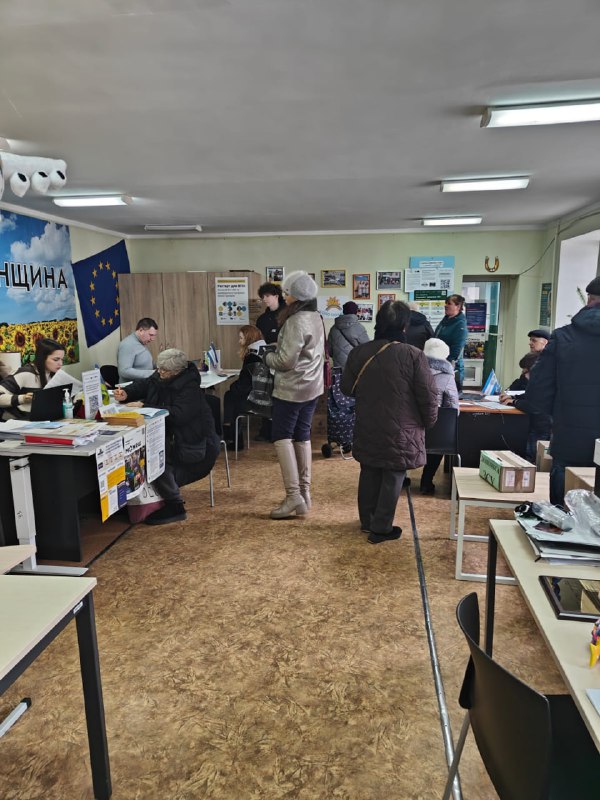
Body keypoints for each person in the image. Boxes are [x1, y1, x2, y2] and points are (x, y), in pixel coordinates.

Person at [341, 301, 438, 543]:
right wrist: (429, 421)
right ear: (405, 326)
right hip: (402, 427)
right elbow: (428, 395)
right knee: (394, 473)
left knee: (369, 469)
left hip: (368, 422)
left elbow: (346, 388)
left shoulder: (359, 352)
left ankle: (367, 521)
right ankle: (381, 528)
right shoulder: (413, 355)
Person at [515, 276, 600, 505]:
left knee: (565, 508)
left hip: (571, 437)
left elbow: (538, 392)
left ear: (589, 299)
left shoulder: (563, 337)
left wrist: (557, 415)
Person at [114, 349, 220, 525]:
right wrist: (126, 393)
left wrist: (144, 406)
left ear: (177, 371)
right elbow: (146, 384)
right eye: (159, 368)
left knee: (156, 455)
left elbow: (178, 415)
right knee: (149, 451)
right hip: (174, 437)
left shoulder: (190, 388)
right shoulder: (162, 374)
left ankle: (175, 505)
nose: (160, 372)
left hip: (195, 446)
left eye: (164, 370)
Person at [264, 271, 324, 519]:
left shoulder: (295, 321)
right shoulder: (316, 316)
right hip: (312, 387)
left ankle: (292, 496)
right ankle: (304, 494)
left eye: (287, 293)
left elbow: (285, 362)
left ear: (296, 297)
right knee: (302, 435)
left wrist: (266, 356)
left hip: (291, 388)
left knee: (282, 437)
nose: (284, 297)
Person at [418, 338, 460, 495]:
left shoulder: (412, 371)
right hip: (435, 428)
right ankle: (426, 481)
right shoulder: (447, 377)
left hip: (411, 426)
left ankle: (401, 479)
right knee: (438, 445)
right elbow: (453, 407)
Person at [499, 352, 552, 463]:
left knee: (533, 457)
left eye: (525, 371)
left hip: (541, 427)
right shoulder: (543, 381)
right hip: (541, 424)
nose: (524, 375)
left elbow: (533, 405)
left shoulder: (541, 384)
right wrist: (513, 396)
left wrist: (515, 401)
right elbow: (530, 395)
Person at [222, 325, 266, 448]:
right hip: (264, 397)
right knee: (231, 397)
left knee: (231, 397)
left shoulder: (252, 356)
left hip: (255, 400)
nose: (239, 341)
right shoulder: (264, 351)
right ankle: (231, 435)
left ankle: (231, 435)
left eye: (241, 338)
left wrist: (232, 386)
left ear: (249, 339)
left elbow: (244, 384)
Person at [0, 338, 65, 420]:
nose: (60, 364)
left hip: (42, 420)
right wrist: (23, 398)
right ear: (42, 358)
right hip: (18, 421)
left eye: (62, 359)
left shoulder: (55, 374)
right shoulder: (25, 373)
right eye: (56, 359)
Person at [434, 294, 468, 391]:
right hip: (440, 363)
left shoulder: (460, 324)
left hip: (451, 366)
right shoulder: (445, 321)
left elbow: (457, 348)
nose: (446, 305)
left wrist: (448, 364)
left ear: (458, 306)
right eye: (446, 303)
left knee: (452, 394)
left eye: (449, 303)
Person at [327, 301, 370, 368]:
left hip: (338, 368)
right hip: (354, 367)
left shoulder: (333, 329)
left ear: (344, 311)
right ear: (356, 312)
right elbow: (367, 350)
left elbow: (329, 351)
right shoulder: (359, 328)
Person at [117, 317, 158, 382]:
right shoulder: (128, 344)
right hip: (131, 387)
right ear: (141, 330)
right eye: (150, 335)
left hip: (143, 384)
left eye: (154, 335)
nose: (152, 339)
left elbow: (146, 363)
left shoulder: (141, 342)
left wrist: (161, 367)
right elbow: (124, 371)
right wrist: (152, 373)